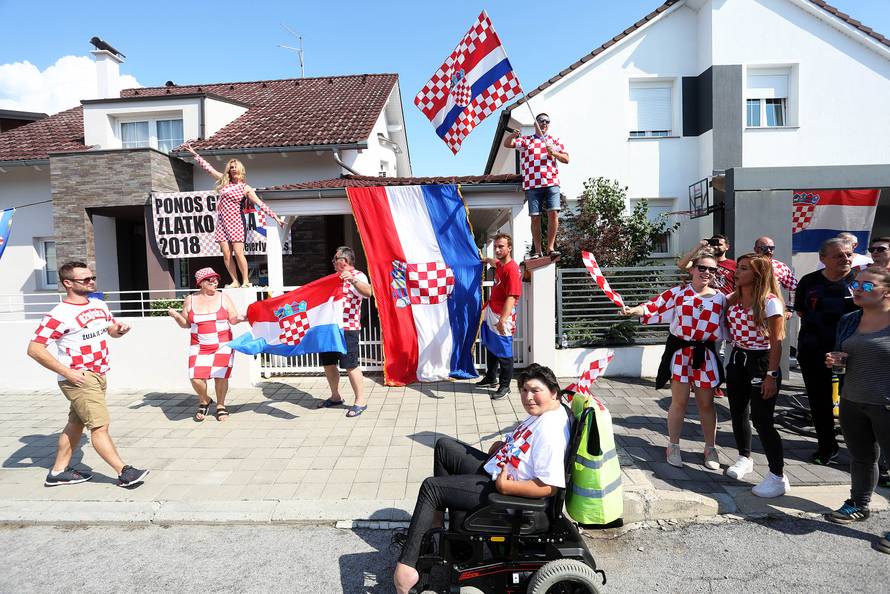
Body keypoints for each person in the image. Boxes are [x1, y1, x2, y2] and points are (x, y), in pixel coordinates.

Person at [393, 364, 571, 594]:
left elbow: (549, 487)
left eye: (535, 391)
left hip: (509, 497)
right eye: (524, 390)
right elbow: (524, 448)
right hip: (500, 472)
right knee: (444, 447)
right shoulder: (546, 412)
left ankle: (406, 570)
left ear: (554, 391)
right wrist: (503, 446)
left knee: (431, 488)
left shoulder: (551, 431)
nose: (528, 397)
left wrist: (507, 487)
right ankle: (442, 532)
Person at [26, 261, 149, 488]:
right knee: (99, 426)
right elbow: (34, 349)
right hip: (80, 378)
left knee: (76, 425)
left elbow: (110, 331)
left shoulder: (98, 304)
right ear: (68, 283)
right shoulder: (58, 314)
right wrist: (67, 372)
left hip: (99, 373)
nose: (91, 281)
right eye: (85, 279)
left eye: (92, 277)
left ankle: (57, 472)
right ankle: (124, 473)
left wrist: (118, 331)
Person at [622, 249, 726, 470]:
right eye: (702, 268)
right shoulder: (678, 293)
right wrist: (633, 310)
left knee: (706, 404)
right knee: (678, 402)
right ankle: (673, 445)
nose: (707, 272)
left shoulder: (721, 298)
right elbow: (653, 306)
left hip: (705, 356)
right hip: (681, 354)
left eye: (712, 269)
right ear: (693, 269)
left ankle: (710, 448)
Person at [823, 266, 890, 556]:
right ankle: (859, 505)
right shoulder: (850, 320)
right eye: (856, 285)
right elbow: (844, 357)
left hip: (885, 403)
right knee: (862, 458)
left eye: (866, 286)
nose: (857, 290)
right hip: (853, 400)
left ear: (886, 291)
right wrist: (836, 359)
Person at [724, 254, 790, 497]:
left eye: (742, 269)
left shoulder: (770, 302)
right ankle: (744, 457)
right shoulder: (733, 298)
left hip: (762, 362)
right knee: (738, 411)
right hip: (738, 359)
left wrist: (771, 375)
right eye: (737, 268)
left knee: (763, 420)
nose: (736, 272)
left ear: (758, 275)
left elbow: (777, 343)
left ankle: (777, 476)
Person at [794, 238, 858, 465]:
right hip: (815, 352)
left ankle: (867, 456)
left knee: (857, 404)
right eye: (838, 255)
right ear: (823, 259)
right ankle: (826, 448)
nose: (846, 258)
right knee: (819, 402)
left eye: (849, 254)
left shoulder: (862, 282)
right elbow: (801, 311)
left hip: (854, 355)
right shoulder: (809, 282)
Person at [185, 143, 285, 288]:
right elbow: (209, 169)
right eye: (231, 168)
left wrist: (275, 217)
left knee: (238, 253)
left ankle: (245, 281)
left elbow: (260, 204)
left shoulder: (245, 188)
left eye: (235, 167)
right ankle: (235, 281)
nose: (233, 170)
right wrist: (195, 155)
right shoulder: (224, 182)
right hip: (222, 223)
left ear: (240, 170)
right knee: (226, 253)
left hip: (236, 222)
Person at [167, 267, 246, 422]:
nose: (215, 282)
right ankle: (205, 400)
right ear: (201, 283)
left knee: (220, 376)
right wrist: (176, 316)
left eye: (216, 279)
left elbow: (233, 319)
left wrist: (244, 317)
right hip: (199, 346)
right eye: (211, 280)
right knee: (195, 377)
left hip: (223, 344)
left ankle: (221, 406)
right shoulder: (190, 299)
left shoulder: (224, 297)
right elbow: (186, 324)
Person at [316, 247, 373, 417]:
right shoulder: (333, 278)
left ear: (344, 261)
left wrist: (353, 280)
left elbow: (368, 292)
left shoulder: (358, 275)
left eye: (335, 259)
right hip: (330, 327)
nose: (332, 262)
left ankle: (360, 400)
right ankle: (335, 397)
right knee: (328, 363)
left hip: (348, 328)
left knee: (350, 365)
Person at [502, 113, 569, 258]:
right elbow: (507, 144)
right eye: (541, 121)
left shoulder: (554, 140)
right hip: (533, 184)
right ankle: (538, 250)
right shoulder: (527, 140)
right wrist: (513, 134)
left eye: (547, 121)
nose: (544, 124)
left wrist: (554, 153)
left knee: (553, 213)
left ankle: (550, 247)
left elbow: (566, 158)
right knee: (535, 217)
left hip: (551, 182)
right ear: (535, 124)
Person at [477, 233, 523, 400]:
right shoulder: (501, 264)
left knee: (504, 351)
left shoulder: (511, 269)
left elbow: (512, 296)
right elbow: (494, 262)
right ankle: (491, 377)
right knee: (491, 345)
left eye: (501, 246)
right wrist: (485, 259)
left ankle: (505, 386)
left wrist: (503, 320)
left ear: (509, 248)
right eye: (496, 246)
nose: (497, 249)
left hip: (502, 315)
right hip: (492, 310)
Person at [754, 236, 798, 313]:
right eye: (764, 248)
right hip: (749, 307)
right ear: (755, 249)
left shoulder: (780, 266)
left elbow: (794, 288)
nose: (768, 250)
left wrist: (790, 308)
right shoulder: (747, 264)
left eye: (771, 248)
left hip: (773, 309)